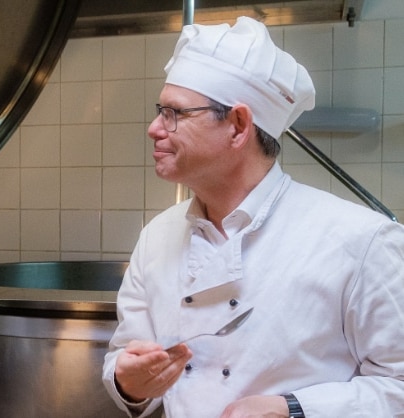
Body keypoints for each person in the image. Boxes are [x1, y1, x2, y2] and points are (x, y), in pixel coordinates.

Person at [102, 16, 404, 418]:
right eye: (160, 111)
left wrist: (293, 409)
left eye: (174, 113)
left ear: (239, 125)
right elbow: (127, 358)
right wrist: (129, 382)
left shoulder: (361, 240)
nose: (154, 128)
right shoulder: (157, 236)